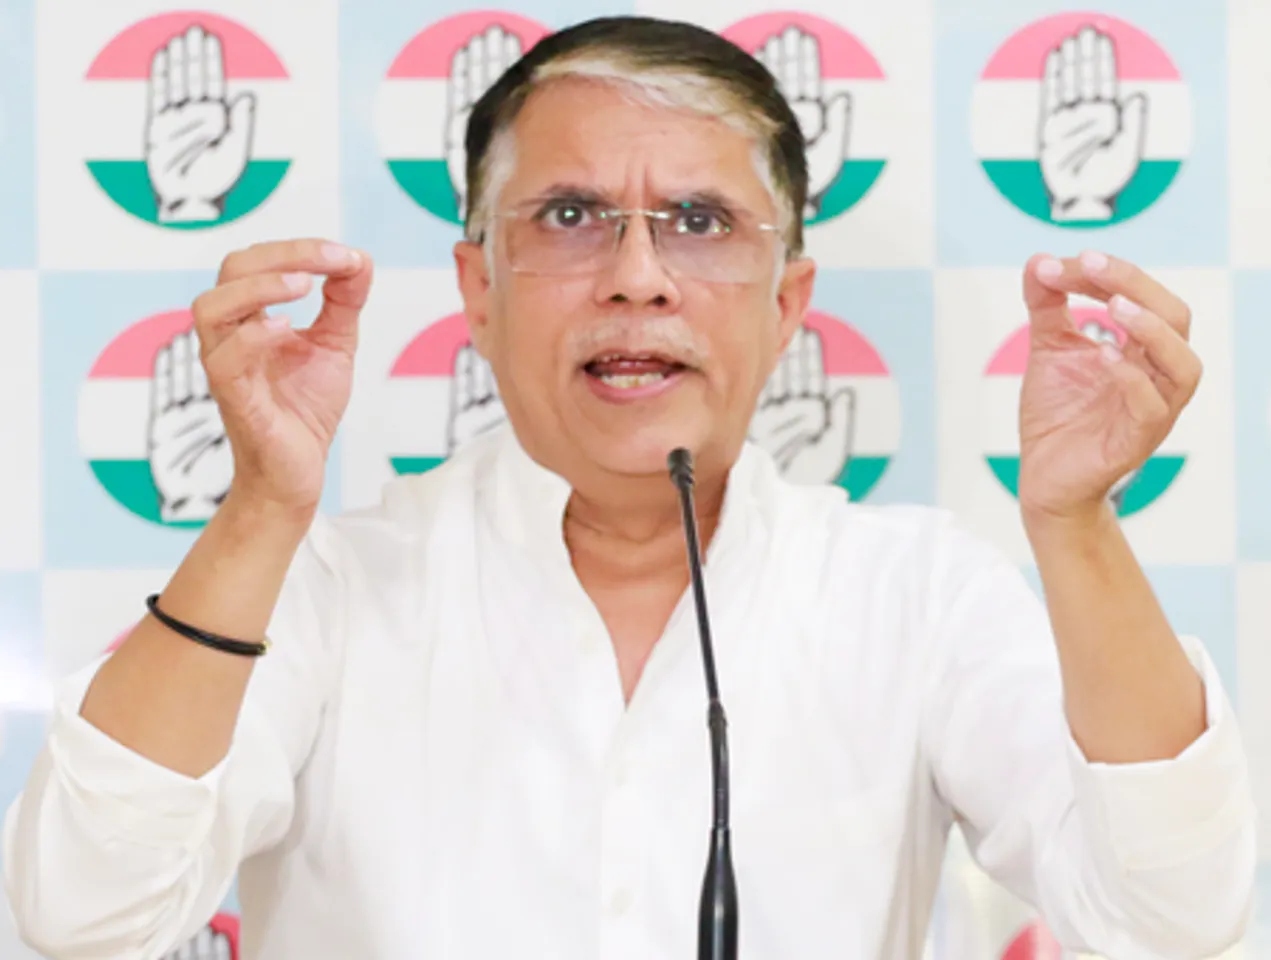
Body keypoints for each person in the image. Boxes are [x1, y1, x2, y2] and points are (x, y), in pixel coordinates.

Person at [3, 15, 1256, 960]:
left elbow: (1170, 923)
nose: (637, 276)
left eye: (699, 222)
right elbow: (82, 914)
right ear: (478, 290)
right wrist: (259, 514)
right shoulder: (328, 588)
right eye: (569, 216)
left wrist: (1074, 526)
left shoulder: (913, 595)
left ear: (786, 304)